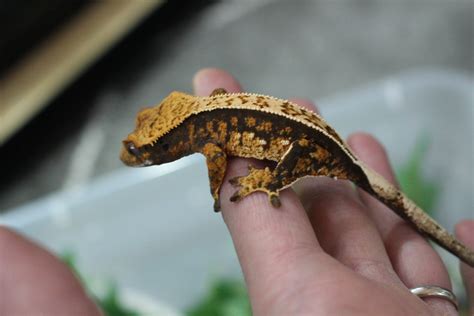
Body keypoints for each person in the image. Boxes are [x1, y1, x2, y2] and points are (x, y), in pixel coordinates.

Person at [1, 68, 472, 315]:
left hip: (311, 147)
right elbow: (199, 136)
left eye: (143, 150)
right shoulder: (201, 120)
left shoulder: (206, 135)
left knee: (284, 174)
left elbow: (217, 166)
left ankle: (276, 178)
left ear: (169, 142)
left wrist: (257, 181)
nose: (138, 156)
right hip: (307, 133)